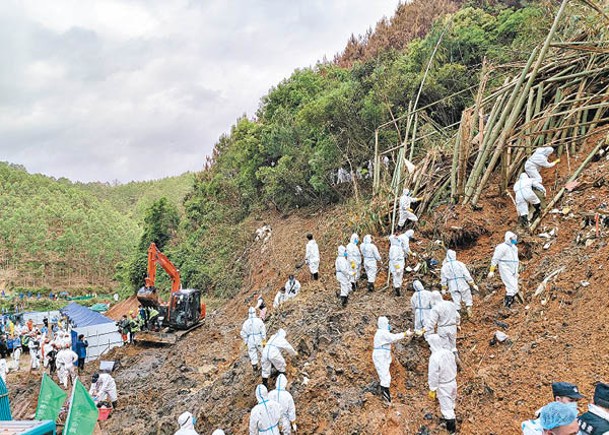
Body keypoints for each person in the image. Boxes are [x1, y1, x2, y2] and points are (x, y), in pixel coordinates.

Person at [372, 316, 412, 404]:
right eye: (387, 323)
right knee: (385, 378)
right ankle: (386, 400)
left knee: (385, 377)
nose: (389, 325)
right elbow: (393, 338)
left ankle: (385, 397)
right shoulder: (382, 333)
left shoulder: (381, 333)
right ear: (384, 324)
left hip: (381, 355)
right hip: (380, 356)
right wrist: (405, 334)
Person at [428, 334, 458, 434]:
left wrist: (432, 388)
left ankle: (451, 431)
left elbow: (433, 374)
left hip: (444, 386)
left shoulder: (434, 357)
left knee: (447, 409)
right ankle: (451, 419)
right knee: (452, 403)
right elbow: (454, 365)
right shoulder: (448, 352)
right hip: (453, 382)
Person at [441, 249, 478, 317]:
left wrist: (443, 288)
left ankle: (458, 313)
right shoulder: (460, 264)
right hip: (462, 283)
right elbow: (466, 274)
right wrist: (473, 284)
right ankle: (469, 307)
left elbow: (443, 279)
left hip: (452, 285)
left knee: (456, 299)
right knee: (467, 296)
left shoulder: (444, 267)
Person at [489, 231, 520, 308]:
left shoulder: (514, 248)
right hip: (505, 268)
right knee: (512, 287)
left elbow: (516, 260)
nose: (514, 239)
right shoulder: (501, 247)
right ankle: (507, 305)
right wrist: (491, 270)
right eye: (512, 238)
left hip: (513, 269)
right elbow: (495, 258)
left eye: (514, 238)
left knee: (514, 288)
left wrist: (516, 271)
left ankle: (509, 304)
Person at [425, 291, 460, 357]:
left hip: (443, 329)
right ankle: (455, 353)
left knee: (445, 346)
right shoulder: (450, 304)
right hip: (452, 327)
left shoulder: (435, 308)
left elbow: (431, 323)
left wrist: (424, 330)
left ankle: (450, 360)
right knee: (453, 344)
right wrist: (458, 324)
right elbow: (457, 316)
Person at [241, 307, 267, 372]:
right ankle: (266, 364)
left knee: (252, 353)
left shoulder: (246, 323)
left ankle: (255, 368)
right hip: (258, 338)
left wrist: (246, 342)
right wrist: (264, 340)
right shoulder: (259, 321)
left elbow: (243, 333)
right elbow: (263, 331)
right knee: (263, 351)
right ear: (255, 312)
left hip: (250, 340)